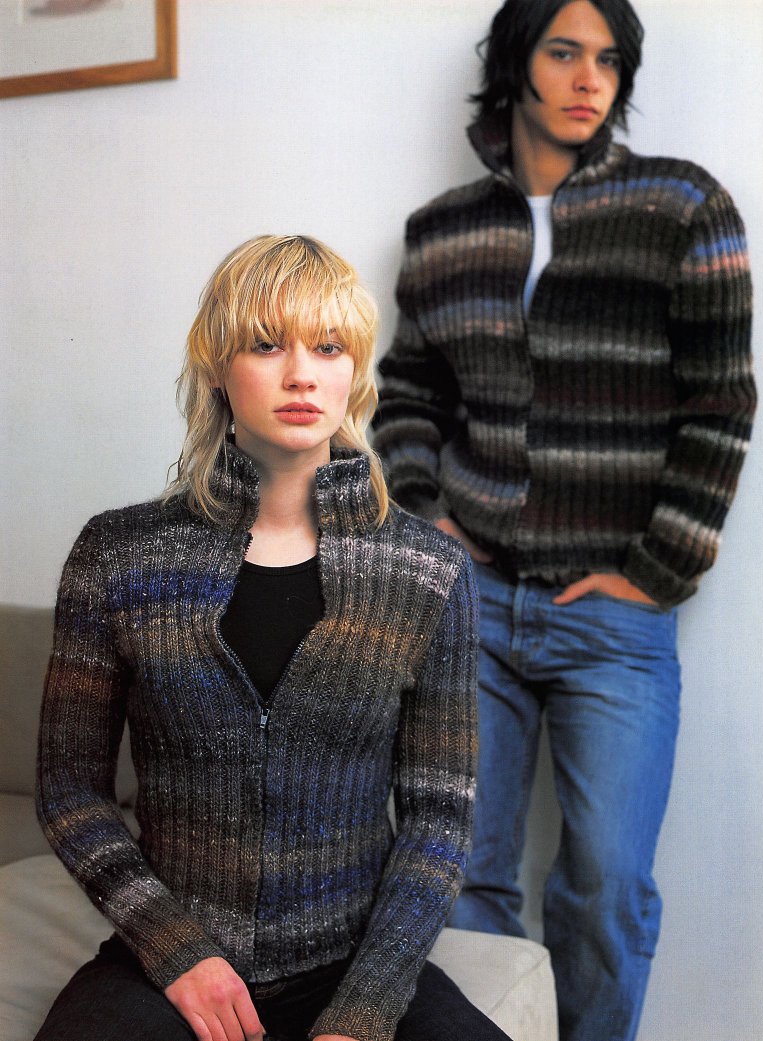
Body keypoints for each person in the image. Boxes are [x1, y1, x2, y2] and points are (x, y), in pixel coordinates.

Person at [371, 2, 757, 1039]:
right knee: (457, 871)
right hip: (469, 607)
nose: (590, 79)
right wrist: (423, 516)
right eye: (563, 52)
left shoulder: (681, 205)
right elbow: (408, 392)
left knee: (606, 884)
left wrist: (658, 569)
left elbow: (720, 402)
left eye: (609, 60)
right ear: (515, 63)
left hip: (614, 621)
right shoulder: (441, 231)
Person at [35, 234, 511, 1041]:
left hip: (355, 965)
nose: (301, 374)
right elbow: (69, 789)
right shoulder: (117, 555)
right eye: (265, 345)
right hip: (172, 968)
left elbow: (439, 816)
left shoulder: (427, 571)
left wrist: (364, 1010)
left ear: (355, 371)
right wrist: (175, 950)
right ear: (218, 368)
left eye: (328, 347)